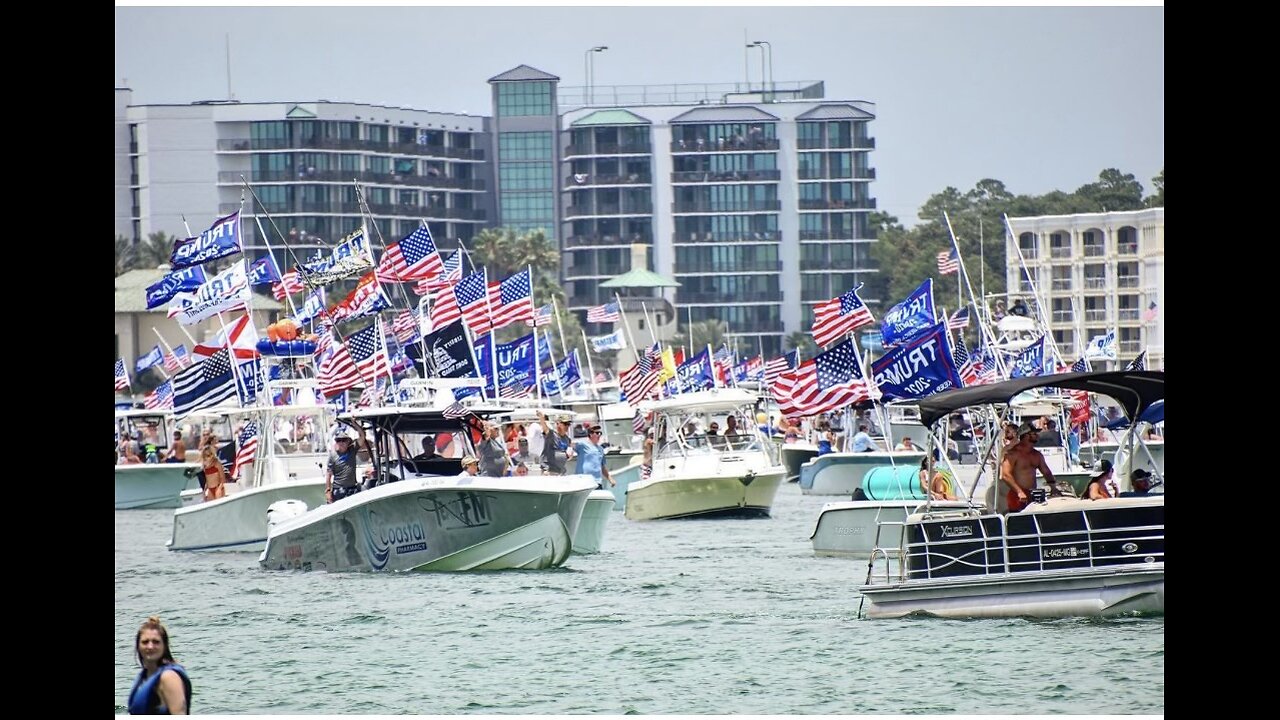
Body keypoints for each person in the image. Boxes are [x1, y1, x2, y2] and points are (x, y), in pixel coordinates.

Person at [127, 616, 191, 715]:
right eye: (145, 642)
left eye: (156, 642)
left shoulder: (169, 677)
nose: (150, 646)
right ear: (138, 646)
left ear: (164, 646)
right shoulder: (145, 676)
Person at [999, 421, 1057, 512]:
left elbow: (1046, 472)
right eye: (1034, 433)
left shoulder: (1037, 455)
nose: (1037, 436)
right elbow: (1005, 475)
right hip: (1017, 496)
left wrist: (1054, 488)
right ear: (1026, 436)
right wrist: (1019, 492)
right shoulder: (1013, 454)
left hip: (1032, 495)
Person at [325, 425, 369, 503]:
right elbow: (329, 474)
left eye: (344, 440)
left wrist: (354, 423)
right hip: (338, 490)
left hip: (352, 489)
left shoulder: (352, 450)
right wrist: (328, 491)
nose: (341, 442)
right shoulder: (333, 455)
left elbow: (362, 436)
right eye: (338, 440)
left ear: (348, 441)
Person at [575, 424, 615, 489]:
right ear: (590, 434)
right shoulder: (582, 445)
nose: (599, 435)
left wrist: (610, 479)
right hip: (583, 481)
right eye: (597, 433)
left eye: (600, 433)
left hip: (597, 482)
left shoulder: (601, 449)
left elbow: (602, 466)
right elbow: (570, 447)